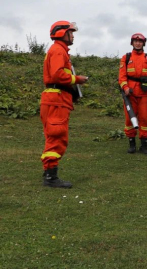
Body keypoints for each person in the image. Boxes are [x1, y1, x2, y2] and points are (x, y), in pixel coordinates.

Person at [41, 21, 88, 188]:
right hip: (57, 101)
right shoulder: (58, 50)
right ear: (62, 33)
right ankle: (50, 177)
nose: (73, 36)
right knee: (57, 136)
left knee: (55, 136)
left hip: (57, 99)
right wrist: (77, 79)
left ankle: (49, 172)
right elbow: (57, 75)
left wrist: (72, 92)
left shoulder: (59, 51)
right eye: (71, 32)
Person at [119, 33, 147, 154]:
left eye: (140, 42)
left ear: (143, 43)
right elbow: (122, 76)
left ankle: (144, 144)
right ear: (132, 43)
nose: (138, 43)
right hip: (130, 94)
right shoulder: (126, 57)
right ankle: (132, 144)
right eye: (135, 41)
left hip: (144, 94)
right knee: (129, 119)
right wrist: (125, 87)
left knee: (144, 119)